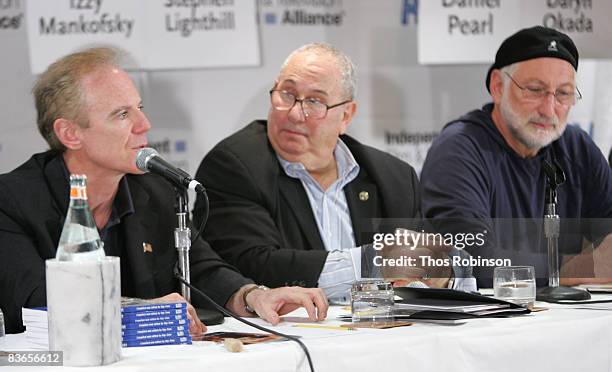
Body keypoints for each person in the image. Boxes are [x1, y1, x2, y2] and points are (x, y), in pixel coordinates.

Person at [0, 47, 328, 334]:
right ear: (70, 133)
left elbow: (200, 270)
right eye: (122, 114)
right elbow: (34, 303)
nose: (144, 125)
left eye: (139, 107)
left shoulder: (154, 190)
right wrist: (140, 312)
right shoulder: (12, 202)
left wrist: (252, 295)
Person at [193, 43, 472, 304]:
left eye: (314, 101)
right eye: (287, 94)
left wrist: (442, 275)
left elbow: (433, 262)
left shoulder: (393, 177)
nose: (293, 113)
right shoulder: (235, 165)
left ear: (347, 115)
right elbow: (253, 264)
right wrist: (374, 264)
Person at [420, 26, 612, 287]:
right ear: (498, 87)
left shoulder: (576, 148)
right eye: (534, 89)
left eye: (563, 94)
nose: (549, 109)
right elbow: (470, 262)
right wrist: (581, 268)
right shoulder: (459, 150)